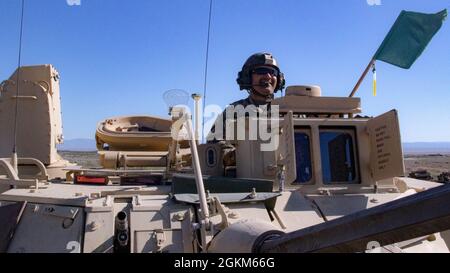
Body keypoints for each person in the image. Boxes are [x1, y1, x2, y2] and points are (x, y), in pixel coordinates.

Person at [208, 52, 285, 141]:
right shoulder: (233, 111)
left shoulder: (288, 109)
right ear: (247, 77)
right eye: (261, 71)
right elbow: (212, 144)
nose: (268, 76)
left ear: (279, 79)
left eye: (273, 72)